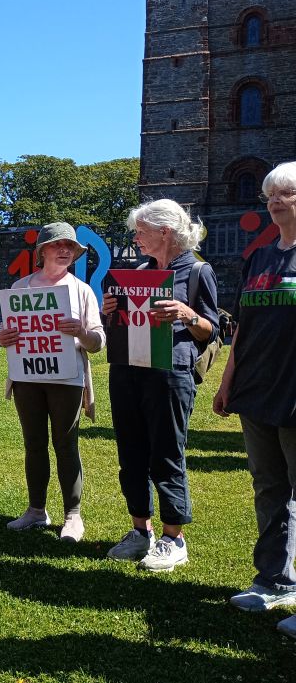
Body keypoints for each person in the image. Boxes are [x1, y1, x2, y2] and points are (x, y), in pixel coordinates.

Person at [102, 199, 218, 571]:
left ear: (164, 232)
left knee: (166, 453)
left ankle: (173, 537)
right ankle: (140, 531)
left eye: (141, 231)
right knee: (130, 452)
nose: (136, 238)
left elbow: (212, 329)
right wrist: (110, 311)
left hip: (171, 373)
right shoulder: (138, 270)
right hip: (128, 368)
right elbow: (120, 327)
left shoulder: (199, 271)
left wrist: (186, 313)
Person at [213, 161, 296, 637]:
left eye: (286, 192)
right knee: (269, 489)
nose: (275, 199)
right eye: (270, 192)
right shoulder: (260, 258)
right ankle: (275, 580)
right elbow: (242, 329)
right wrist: (227, 383)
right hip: (257, 391)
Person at [0, 223, 106, 543]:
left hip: (67, 380)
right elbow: (5, 332)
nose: (64, 251)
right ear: (42, 251)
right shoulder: (20, 288)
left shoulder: (81, 290)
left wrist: (81, 333)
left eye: (70, 247)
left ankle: (73, 514)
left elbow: (98, 341)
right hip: (27, 378)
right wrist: (2, 336)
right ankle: (36, 510)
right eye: (58, 245)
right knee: (34, 444)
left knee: (66, 444)